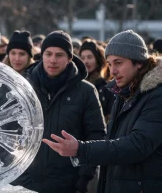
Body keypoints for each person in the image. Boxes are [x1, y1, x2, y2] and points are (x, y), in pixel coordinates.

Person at [43, 30, 162, 193]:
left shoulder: (156, 95)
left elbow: (137, 145)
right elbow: (112, 148)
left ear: (139, 62)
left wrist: (81, 149)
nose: (112, 71)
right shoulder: (124, 94)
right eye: (110, 63)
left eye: (118, 63)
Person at [12, 30, 106, 193]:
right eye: (48, 54)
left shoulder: (85, 91)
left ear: (69, 58)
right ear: (42, 55)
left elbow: (96, 136)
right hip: (24, 181)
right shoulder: (24, 87)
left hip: (66, 183)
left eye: (59, 55)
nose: (52, 60)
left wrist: (84, 179)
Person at [79, 40, 115, 122]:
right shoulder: (75, 84)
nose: (86, 61)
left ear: (97, 59)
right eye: (82, 58)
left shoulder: (106, 86)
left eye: (89, 57)